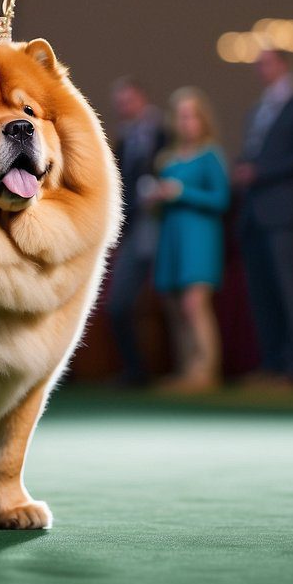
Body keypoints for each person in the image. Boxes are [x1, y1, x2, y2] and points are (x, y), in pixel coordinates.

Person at [234, 49, 293, 387]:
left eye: (268, 63)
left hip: (284, 210)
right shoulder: (259, 109)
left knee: (290, 290)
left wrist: (262, 172)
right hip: (256, 212)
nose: (261, 70)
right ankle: (272, 363)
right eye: (258, 64)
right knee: (264, 293)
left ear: (284, 65)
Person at [148, 88, 230, 392]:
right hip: (172, 236)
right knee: (175, 307)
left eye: (191, 116)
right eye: (181, 116)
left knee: (194, 304)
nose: (186, 122)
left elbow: (222, 199)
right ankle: (187, 369)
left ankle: (206, 370)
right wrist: (157, 199)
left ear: (202, 119)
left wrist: (182, 192)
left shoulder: (211, 155)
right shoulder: (167, 158)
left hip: (200, 237)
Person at [104, 76, 167, 386]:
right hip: (133, 231)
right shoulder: (124, 141)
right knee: (118, 304)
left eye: (129, 101)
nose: (126, 108)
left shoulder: (166, 134)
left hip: (165, 230)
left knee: (179, 304)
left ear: (141, 98)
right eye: (121, 105)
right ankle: (135, 369)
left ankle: (187, 371)